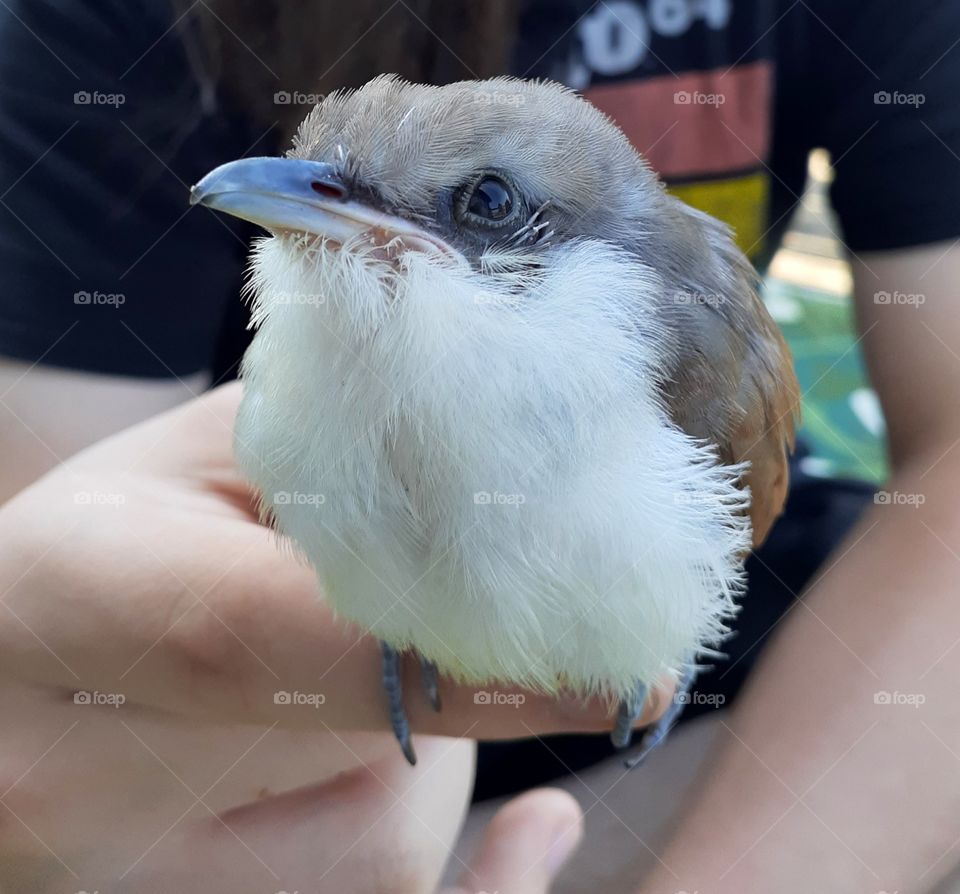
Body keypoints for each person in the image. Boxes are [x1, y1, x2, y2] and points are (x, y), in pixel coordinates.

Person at [1, 1, 959, 891]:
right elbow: (59, 561)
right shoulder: (100, 36)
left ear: (571, 237)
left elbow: (758, 509)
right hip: (282, 791)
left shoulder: (681, 340)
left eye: (481, 208)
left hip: (713, 738)